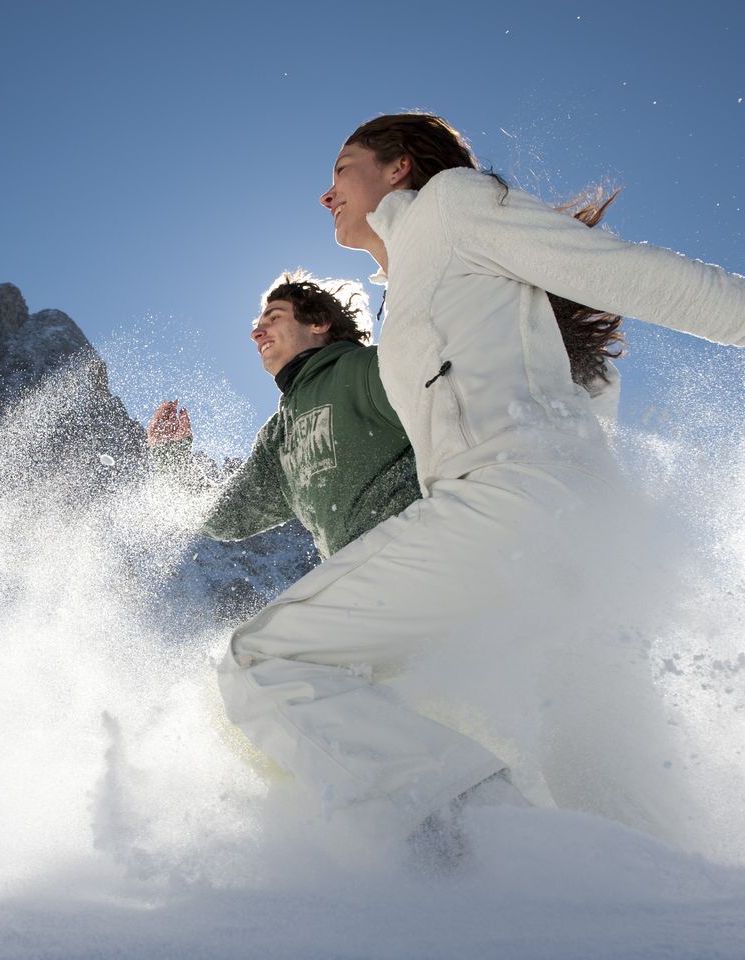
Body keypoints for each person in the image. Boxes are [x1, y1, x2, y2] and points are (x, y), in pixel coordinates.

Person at [216, 112, 745, 856]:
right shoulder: (428, 278)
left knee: (267, 659)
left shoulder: (451, 205)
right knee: (607, 807)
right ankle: (658, 911)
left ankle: (486, 845)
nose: (326, 192)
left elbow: (630, 272)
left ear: (398, 168)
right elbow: (581, 388)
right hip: (561, 540)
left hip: (511, 503)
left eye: (342, 169)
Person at [147, 271, 418, 562]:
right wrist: (170, 454)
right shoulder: (279, 436)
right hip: (363, 588)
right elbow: (224, 516)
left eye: (274, 318)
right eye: (258, 326)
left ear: (319, 323)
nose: (256, 333)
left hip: (430, 562)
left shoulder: (366, 370)